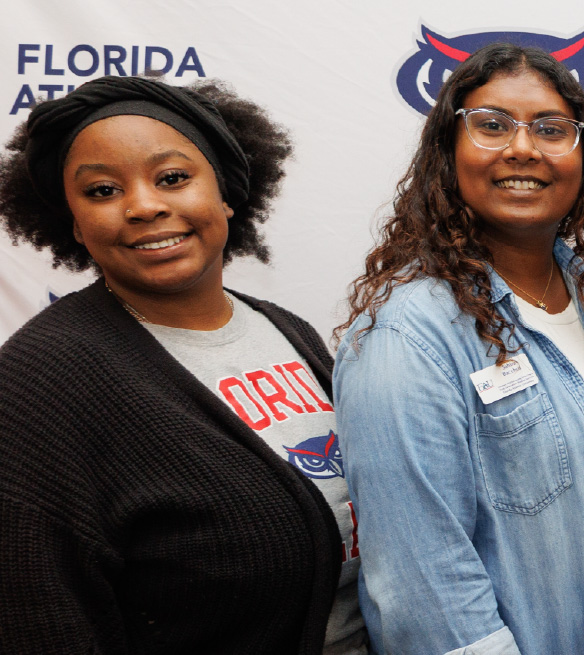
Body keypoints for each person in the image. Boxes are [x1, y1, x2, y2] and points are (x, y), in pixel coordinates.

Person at [333, 42, 584, 655]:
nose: (523, 148)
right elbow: (421, 578)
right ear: (448, 154)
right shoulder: (405, 334)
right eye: (491, 126)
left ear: (583, 158)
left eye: (550, 129)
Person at [0, 76, 363, 654]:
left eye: (172, 178)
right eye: (101, 191)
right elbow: (37, 618)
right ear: (73, 222)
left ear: (225, 193)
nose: (144, 206)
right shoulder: (43, 379)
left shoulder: (285, 328)